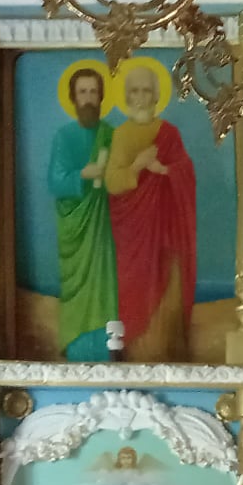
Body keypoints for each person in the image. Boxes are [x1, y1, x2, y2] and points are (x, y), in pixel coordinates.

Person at [105, 64, 197, 362]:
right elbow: (113, 181)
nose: (141, 97)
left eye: (147, 90)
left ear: (156, 95)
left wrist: (165, 170)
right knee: (132, 289)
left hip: (165, 230)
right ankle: (132, 349)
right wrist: (138, 165)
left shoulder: (169, 134)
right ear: (127, 97)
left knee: (166, 284)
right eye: (135, 91)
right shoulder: (122, 135)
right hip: (131, 231)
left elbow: (186, 173)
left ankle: (165, 347)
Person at [47, 65, 118, 361]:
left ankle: (111, 347)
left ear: (101, 96)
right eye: (82, 92)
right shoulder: (64, 137)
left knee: (107, 286)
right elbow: (55, 180)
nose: (88, 98)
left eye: (93, 91)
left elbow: (124, 179)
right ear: (73, 98)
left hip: (106, 224)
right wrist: (84, 174)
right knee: (77, 290)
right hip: (77, 224)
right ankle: (76, 346)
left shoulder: (112, 134)